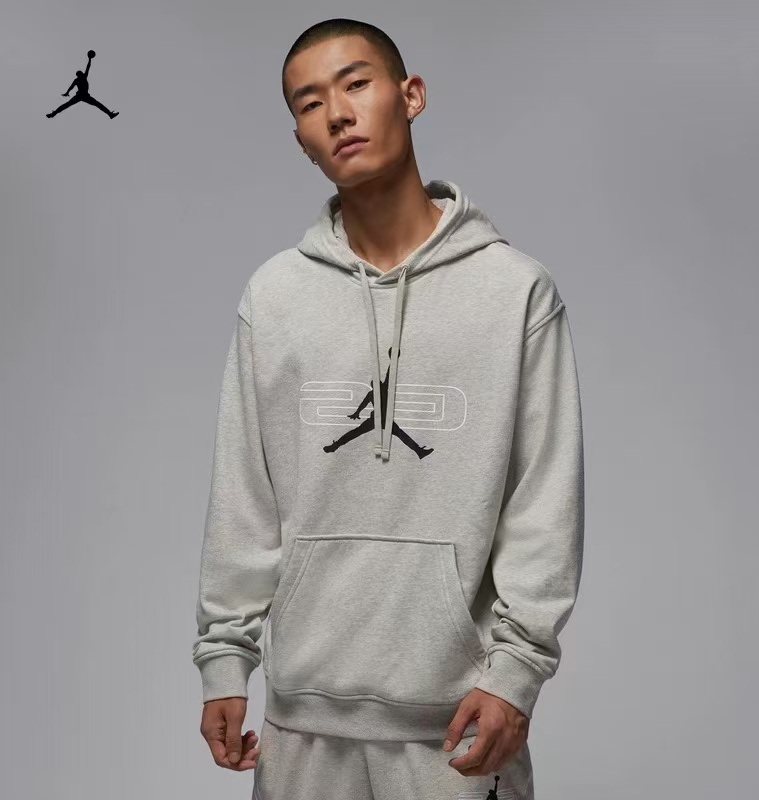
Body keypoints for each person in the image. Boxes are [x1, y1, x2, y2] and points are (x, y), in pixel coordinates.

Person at [192, 17, 585, 800]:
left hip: (456, 726)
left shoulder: (514, 293)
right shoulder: (275, 297)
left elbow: (544, 500)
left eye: (356, 84)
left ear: (411, 96)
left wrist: (517, 673)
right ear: (301, 139)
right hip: (301, 728)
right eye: (310, 103)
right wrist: (224, 657)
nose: (337, 113)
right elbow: (244, 495)